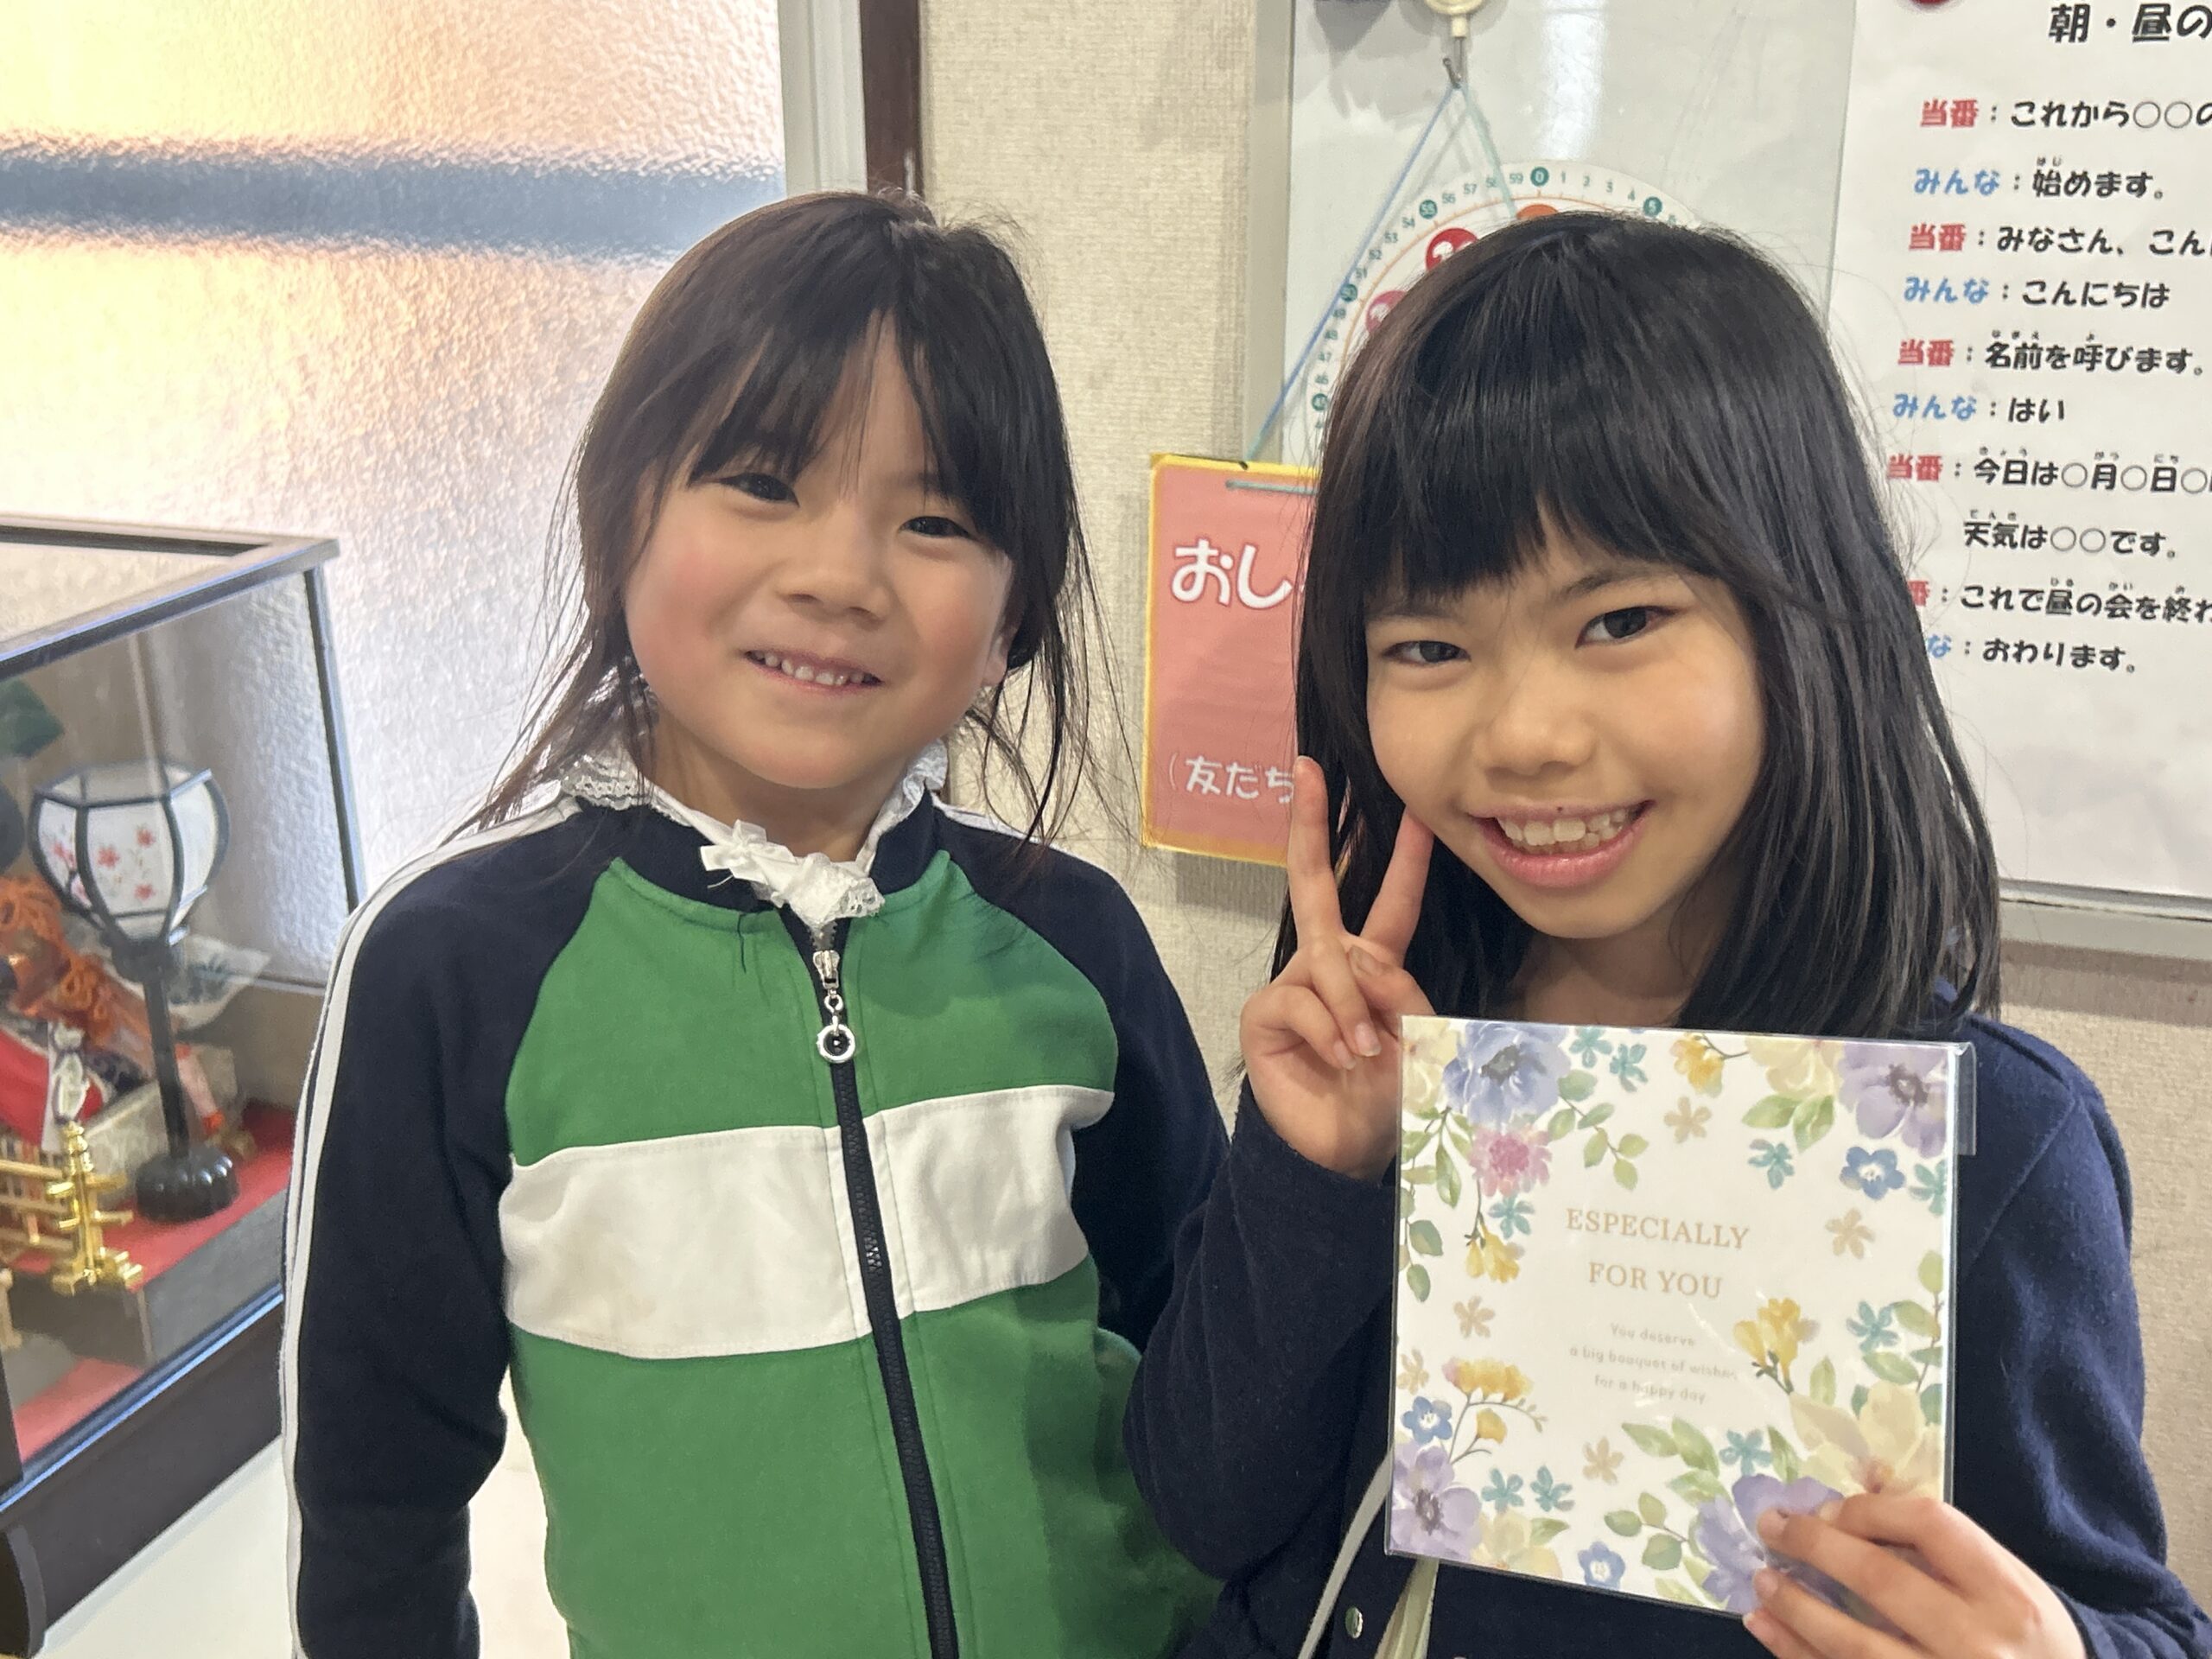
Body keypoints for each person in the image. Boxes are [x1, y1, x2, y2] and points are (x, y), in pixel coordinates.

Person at [1126, 212, 2209, 1659]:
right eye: (1429, 647)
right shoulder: (1399, 1038)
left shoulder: (1978, 1139)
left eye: (1622, 619)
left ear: (1807, 619)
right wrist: (1310, 1175)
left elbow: (2131, 1614)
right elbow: (1204, 1507)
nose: (1526, 734)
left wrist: (2055, 1649)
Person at [283, 191, 1222, 1659]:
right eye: (764, 482)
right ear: (623, 512)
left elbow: (1209, 1377)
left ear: (1014, 613)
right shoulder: (449, 969)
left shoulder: (1074, 939)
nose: (839, 577)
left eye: (935, 519)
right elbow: (373, 1498)